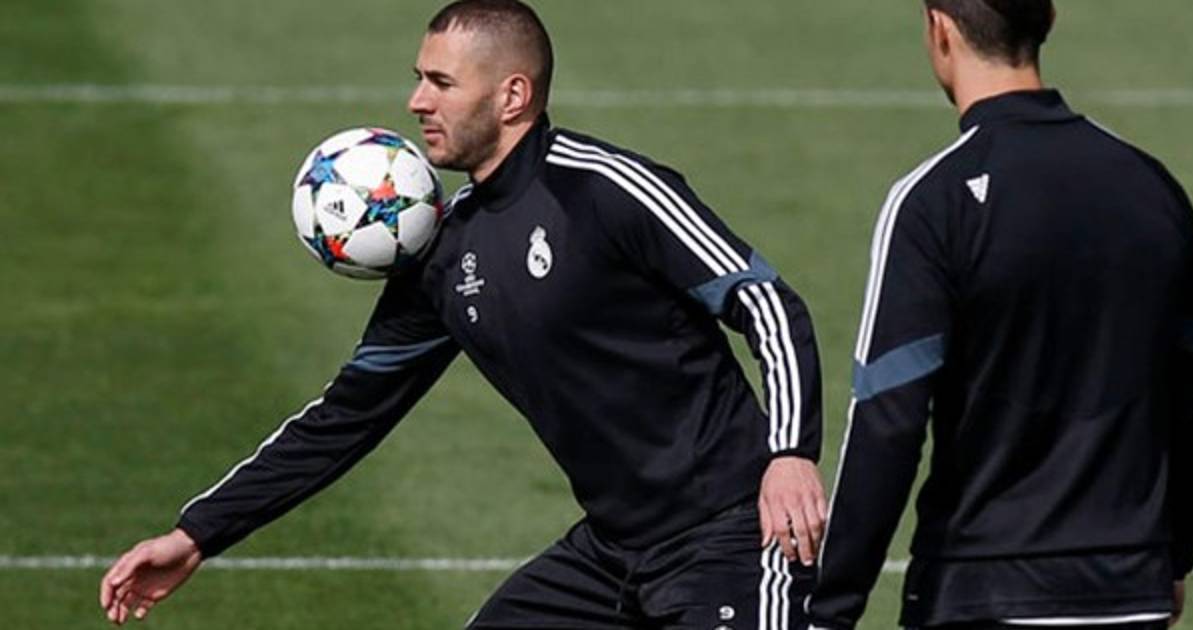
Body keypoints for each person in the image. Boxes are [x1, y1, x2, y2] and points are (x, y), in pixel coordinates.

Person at [98, 1, 827, 627]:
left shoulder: (605, 189)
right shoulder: (445, 251)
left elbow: (766, 301)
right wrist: (197, 535)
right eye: (420, 78)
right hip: (614, 551)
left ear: (512, 96)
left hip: (732, 534)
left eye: (441, 82)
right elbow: (346, 416)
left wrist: (791, 453)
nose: (417, 102)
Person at [805, 1, 1193, 629]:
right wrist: (1172, 556)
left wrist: (829, 609)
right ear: (1047, 23)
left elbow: (889, 418)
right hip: (1130, 589)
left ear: (940, 29)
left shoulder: (932, 202)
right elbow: (1189, 393)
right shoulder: (1153, 188)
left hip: (980, 589)